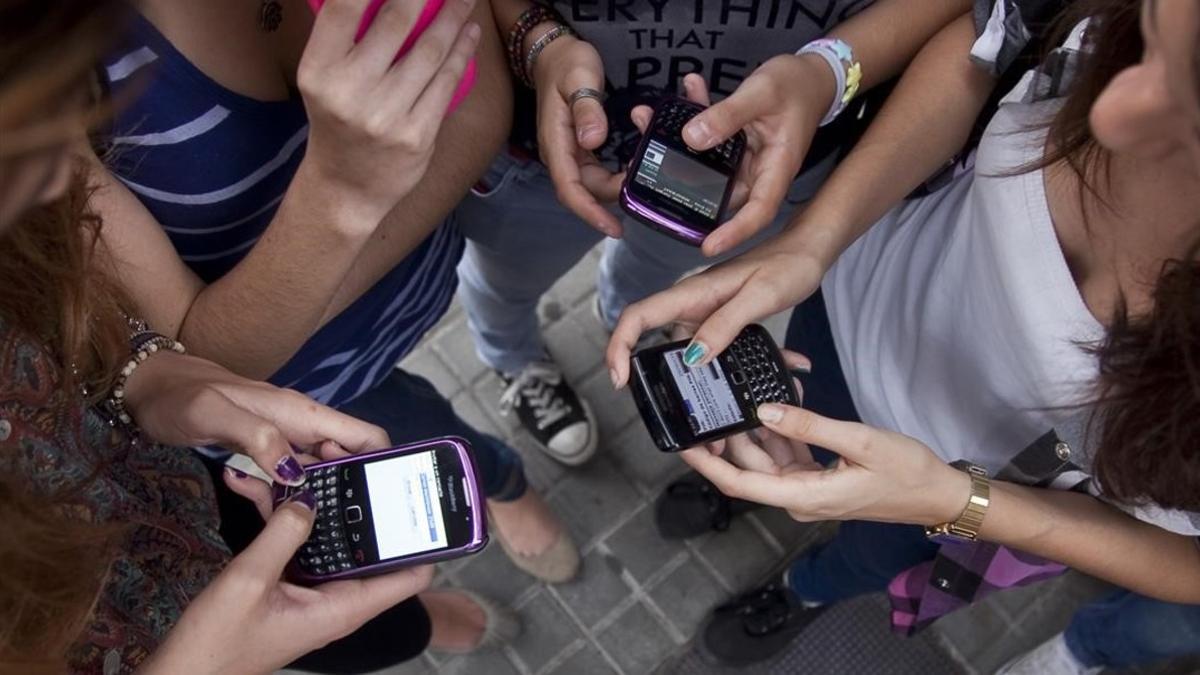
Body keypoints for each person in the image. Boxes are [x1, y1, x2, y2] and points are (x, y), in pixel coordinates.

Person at [607, 0, 1200, 669]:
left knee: (861, 556)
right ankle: (733, 482)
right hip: (851, 302)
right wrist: (813, 240)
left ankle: (801, 590)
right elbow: (984, 41)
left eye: (1191, 115)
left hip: (966, 483)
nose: (1111, 112)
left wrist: (959, 501)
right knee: (759, 413)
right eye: (1151, 39)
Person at [0, 2, 460, 671]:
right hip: (168, 617)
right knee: (384, 631)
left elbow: (52, 345)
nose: (58, 180)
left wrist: (153, 380)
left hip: (190, 485)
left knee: (382, 611)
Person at [87, 0, 579, 593]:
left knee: (412, 421)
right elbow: (193, 366)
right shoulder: (36, 72)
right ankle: (499, 479)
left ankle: (492, 459)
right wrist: (342, 195)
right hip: (305, 388)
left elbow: (478, 105)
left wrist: (325, 254)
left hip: (404, 284)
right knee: (410, 427)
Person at [450, 0, 974, 466]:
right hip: (538, 139)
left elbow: (982, 16)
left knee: (658, 281)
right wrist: (540, 41)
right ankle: (511, 357)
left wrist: (826, 74)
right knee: (506, 281)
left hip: (763, 164)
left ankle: (619, 314)